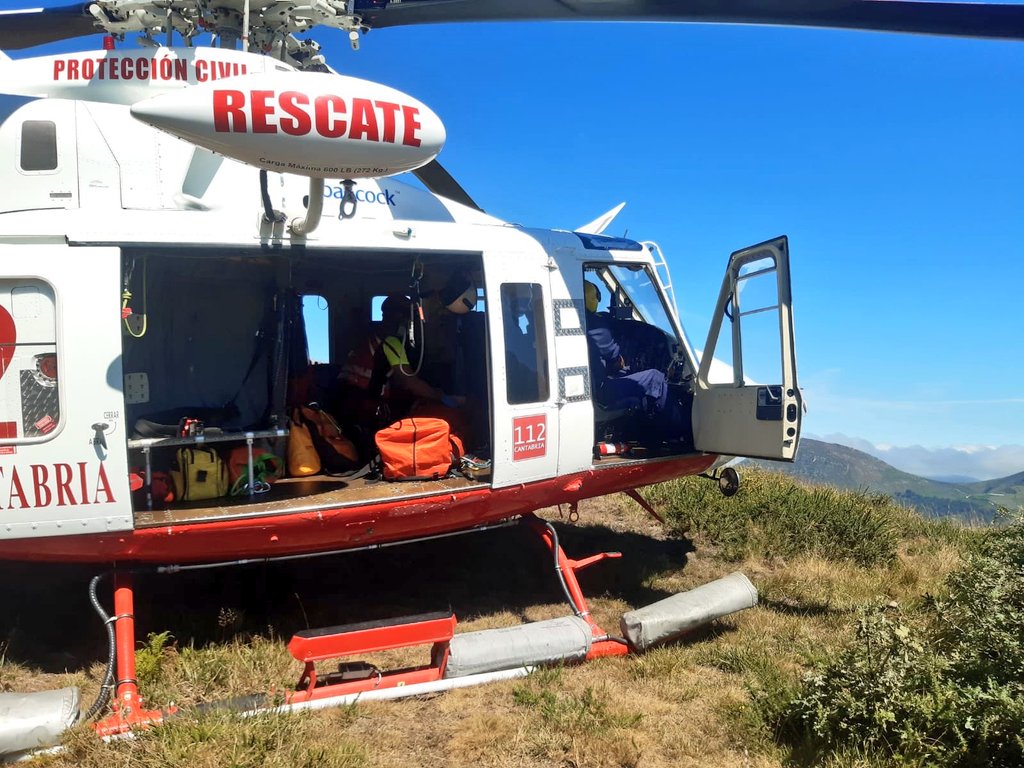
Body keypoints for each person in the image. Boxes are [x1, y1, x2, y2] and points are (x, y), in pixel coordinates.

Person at [584, 280, 683, 440]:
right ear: (594, 298)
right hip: (600, 394)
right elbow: (617, 362)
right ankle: (680, 435)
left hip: (589, 389)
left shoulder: (574, 321)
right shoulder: (594, 325)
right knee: (655, 378)